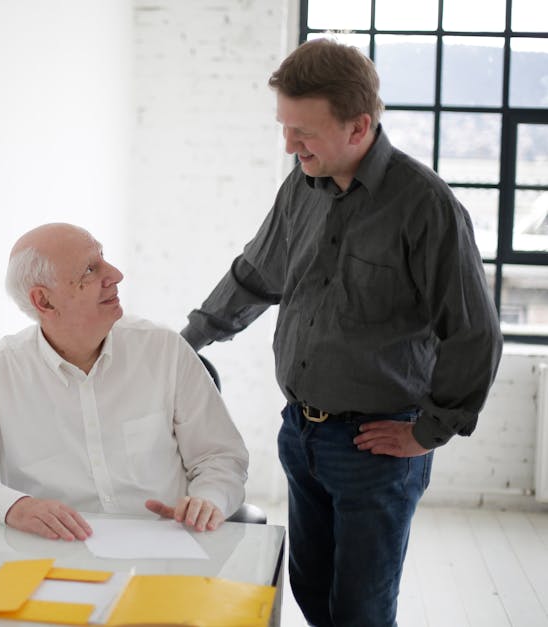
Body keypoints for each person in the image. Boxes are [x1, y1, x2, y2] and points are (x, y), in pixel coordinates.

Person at [181, 38, 502, 627]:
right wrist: (184, 344)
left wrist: (429, 432)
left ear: (359, 127)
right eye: (284, 127)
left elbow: (475, 333)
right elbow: (256, 275)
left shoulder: (425, 206)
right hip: (301, 434)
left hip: (375, 451)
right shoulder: (300, 187)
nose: (288, 144)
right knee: (308, 588)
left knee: (360, 611)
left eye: (302, 131)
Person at [0, 222, 249, 541]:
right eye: (90, 270)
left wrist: (208, 499)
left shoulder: (164, 350)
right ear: (44, 300)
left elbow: (220, 457)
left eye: (103, 259)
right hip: (54, 557)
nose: (115, 274)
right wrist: (13, 507)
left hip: (170, 546)